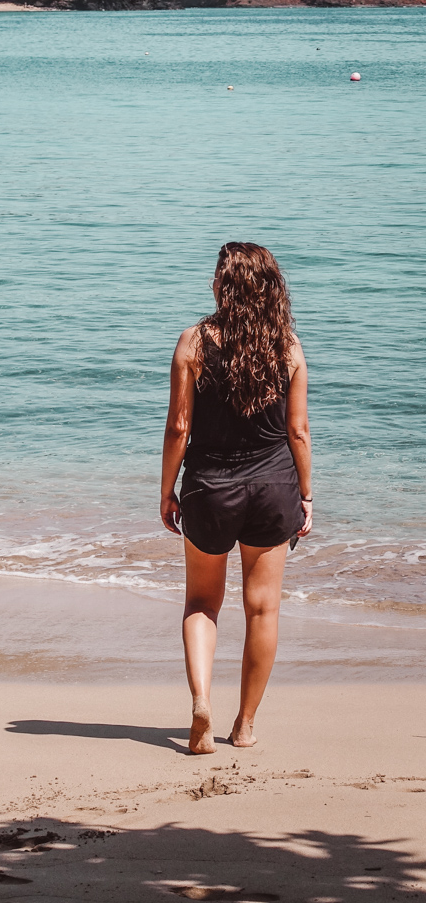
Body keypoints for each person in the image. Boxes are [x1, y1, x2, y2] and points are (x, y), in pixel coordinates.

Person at [160, 242, 312, 754]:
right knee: (262, 611)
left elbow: (179, 428)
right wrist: (306, 496)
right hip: (273, 488)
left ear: (222, 285)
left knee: (202, 603)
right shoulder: (287, 345)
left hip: (209, 488)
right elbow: (298, 432)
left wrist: (167, 492)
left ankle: (202, 700)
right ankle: (244, 725)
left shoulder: (194, 341)